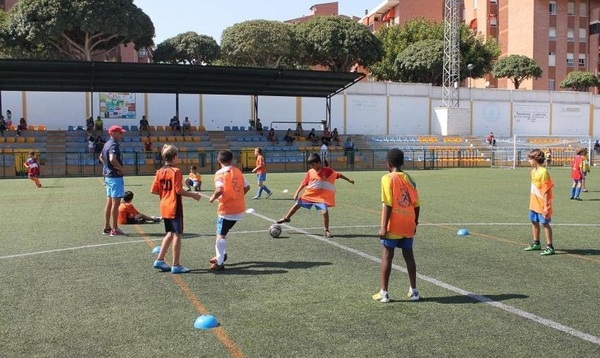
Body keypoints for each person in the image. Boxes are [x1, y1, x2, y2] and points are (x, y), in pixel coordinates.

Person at [372, 148, 420, 303]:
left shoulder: (387, 178)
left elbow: (388, 204)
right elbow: (416, 204)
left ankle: (384, 293)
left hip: (394, 224)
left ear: (388, 163)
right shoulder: (409, 178)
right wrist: (415, 222)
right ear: (402, 162)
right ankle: (414, 291)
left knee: (387, 256)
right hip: (408, 223)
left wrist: (383, 226)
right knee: (409, 257)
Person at [276, 153, 354, 238]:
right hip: (310, 194)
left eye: (313, 165)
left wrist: (349, 180)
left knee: (324, 211)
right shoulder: (310, 172)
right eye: (311, 165)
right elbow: (304, 183)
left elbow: (338, 174)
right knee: (297, 205)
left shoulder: (328, 171)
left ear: (319, 162)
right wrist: (297, 192)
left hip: (321, 197)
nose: (312, 167)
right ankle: (286, 218)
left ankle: (326, 230)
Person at [151, 144, 202, 274]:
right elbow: (178, 191)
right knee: (177, 235)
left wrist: (166, 193)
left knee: (169, 233)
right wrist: (193, 195)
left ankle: (160, 259)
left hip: (164, 205)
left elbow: (154, 191)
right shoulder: (176, 171)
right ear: (174, 157)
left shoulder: (159, 171)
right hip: (174, 206)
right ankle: (176, 264)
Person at [208, 149, 251, 271]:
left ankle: (220, 262)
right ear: (231, 160)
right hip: (239, 209)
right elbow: (247, 186)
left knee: (220, 236)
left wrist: (212, 198)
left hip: (227, 210)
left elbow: (219, 189)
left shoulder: (219, 173)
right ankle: (221, 254)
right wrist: (238, 196)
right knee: (224, 232)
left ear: (218, 160)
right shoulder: (237, 171)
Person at [524, 149, 555, 256]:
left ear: (536, 159)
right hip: (534, 202)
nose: (529, 161)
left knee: (545, 224)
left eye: (530, 159)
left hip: (542, 203)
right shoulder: (533, 172)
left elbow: (546, 190)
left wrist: (546, 206)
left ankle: (550, 246)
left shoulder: (543, 172)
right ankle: (536, 243)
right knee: (534, 222)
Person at [99, 125, 127, 237]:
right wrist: (120, 168)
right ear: (113, 133)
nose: (121, 135)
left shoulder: (106, 144)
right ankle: (114, 229)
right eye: (120, 133)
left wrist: (106, 167)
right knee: (116, 204)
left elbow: (101, 156)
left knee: (109, 202)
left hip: (108, 176)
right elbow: (112, 158)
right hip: (115, 177)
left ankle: (107, 227)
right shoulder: (113, 145)